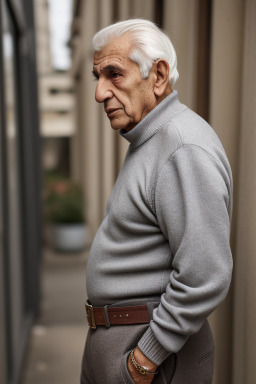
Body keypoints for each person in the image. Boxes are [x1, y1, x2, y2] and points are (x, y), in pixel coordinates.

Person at [80, 19, 233, 384]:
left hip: (150, 356)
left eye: (114, 74)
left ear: (159, 76)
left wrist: (143, 359)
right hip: (124, 346)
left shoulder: (182, 147)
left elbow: (205, 275)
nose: (100, 93)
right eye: (97, 77)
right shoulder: (150, 139)